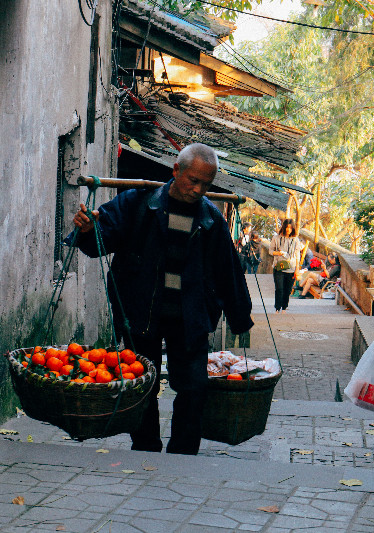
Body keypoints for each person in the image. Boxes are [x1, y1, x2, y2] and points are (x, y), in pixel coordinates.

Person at [70, 142, 254, 455]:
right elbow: (102, 239)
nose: (197, 190)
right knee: (144, 384)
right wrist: (87, 230)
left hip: (190, 316)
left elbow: (229, 272)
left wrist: (240, 318)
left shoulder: (212, 221)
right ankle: (145, 447)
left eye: (205, 184)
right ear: (176, 171)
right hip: (141, 312)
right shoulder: (138, 203)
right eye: (192, 180)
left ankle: (182, 453)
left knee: (194, 387)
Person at [270, 218, 301, 313]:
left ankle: (284, 308)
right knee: (279, 289)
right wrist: (278, 253)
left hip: (291, 268)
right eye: (287, 227)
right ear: (284, 227)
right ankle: (277, 308)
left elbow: (297, 256)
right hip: (279, 267)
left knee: (287, 290)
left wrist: (297, 270)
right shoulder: (276, 238)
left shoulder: (295, 240)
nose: (288, 230)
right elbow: (270, 251)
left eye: (290, 228)